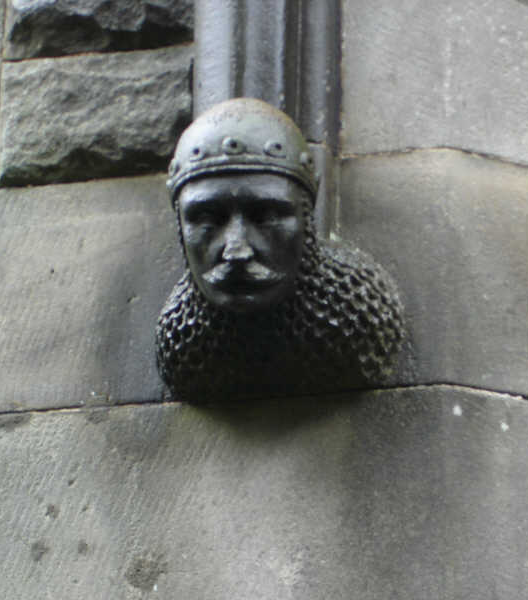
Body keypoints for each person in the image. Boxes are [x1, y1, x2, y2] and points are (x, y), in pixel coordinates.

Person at [156, 97, 404, 401]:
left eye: (268, 217)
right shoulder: (185, 344)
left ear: (306, 219)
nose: (237, 251)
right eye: (207, 219)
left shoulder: (359, 319)